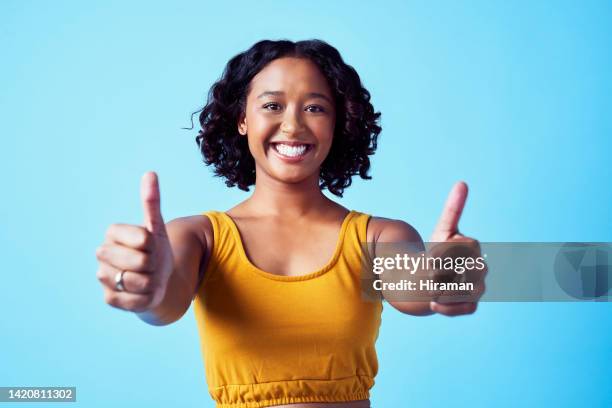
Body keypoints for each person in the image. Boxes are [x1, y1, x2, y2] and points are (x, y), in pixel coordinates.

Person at [95, 39, 486, 408]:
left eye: (315, 108)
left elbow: (418, 290)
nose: (293, 125)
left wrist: (449, 278)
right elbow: (162, 304)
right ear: (242, 120)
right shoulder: (199, 237)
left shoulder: (377, 237)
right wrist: (142, 288)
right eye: (272, 106)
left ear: (338, 124)